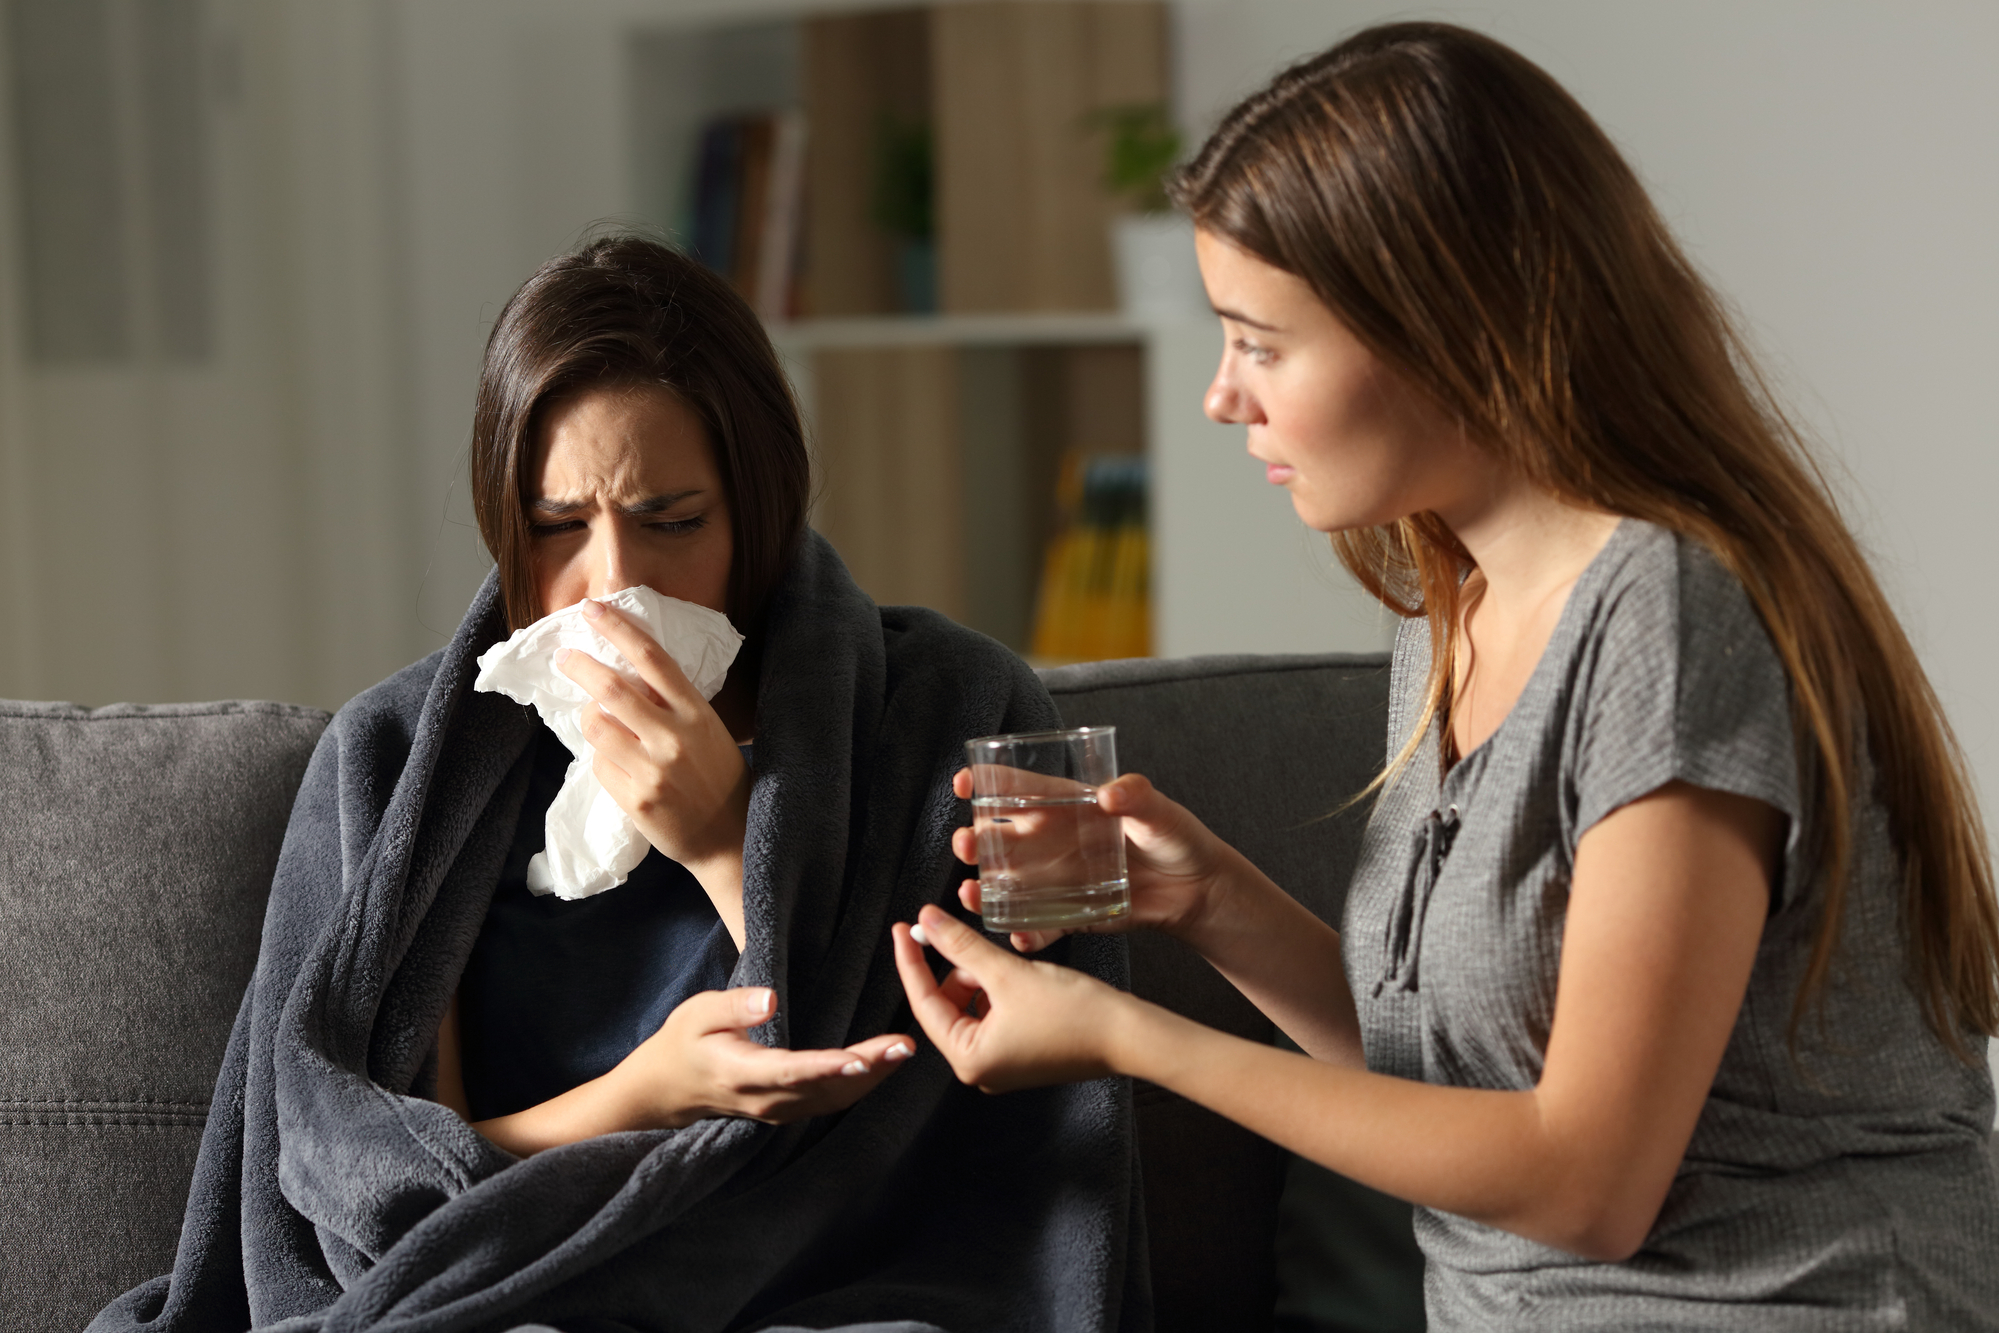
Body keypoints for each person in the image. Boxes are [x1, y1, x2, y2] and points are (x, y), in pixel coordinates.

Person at [892, 23, 1999, 1330]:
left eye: (1257, 341)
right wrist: (1211, 906)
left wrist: (1123, 1038)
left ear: (1440, 326)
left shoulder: (1670, 618)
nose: (1218, 397)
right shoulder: (1448, 601)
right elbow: (1463, 1101)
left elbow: (1587, 1185)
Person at [92, 236, 1145, 1333]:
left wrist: (730, 844)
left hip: (839, 1300)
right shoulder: (400, 759)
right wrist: (643, 1094)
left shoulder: (962, 706)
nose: (615, 584)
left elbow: (1033, 1105)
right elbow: (386, 1183)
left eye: (673, 520)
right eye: (558, 529)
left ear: (760, 509)